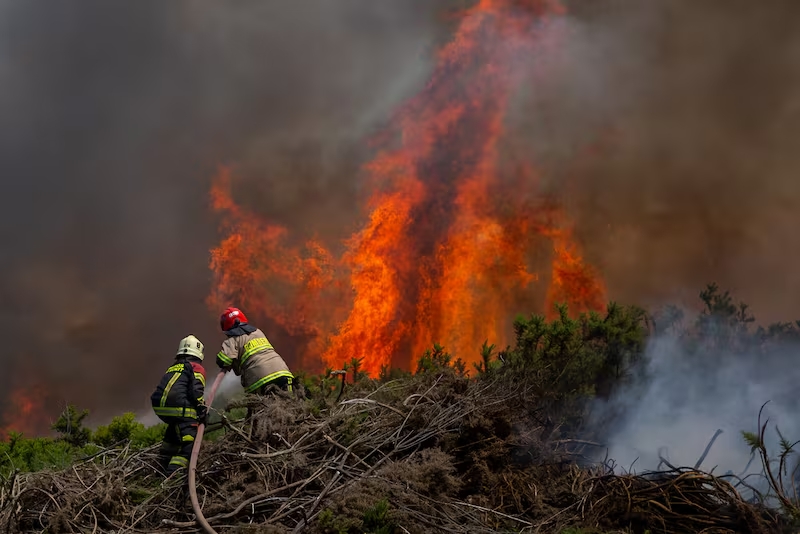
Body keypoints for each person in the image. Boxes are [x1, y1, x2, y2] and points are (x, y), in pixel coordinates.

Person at [150, 335, 208, 477]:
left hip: (161, 408)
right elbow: (196, 392)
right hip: (178, 409)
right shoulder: (196, 367)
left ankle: (159, 471)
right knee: (189, 445)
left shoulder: (173, 367)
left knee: (174, 436)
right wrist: (202, 410)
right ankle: (173, 476)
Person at [215, 307, 294, 395]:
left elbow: (223, 361)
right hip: (282, 371)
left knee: (261, 407)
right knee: (290, 403)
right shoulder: (258, 332)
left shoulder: (231, 341)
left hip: (259, 379)